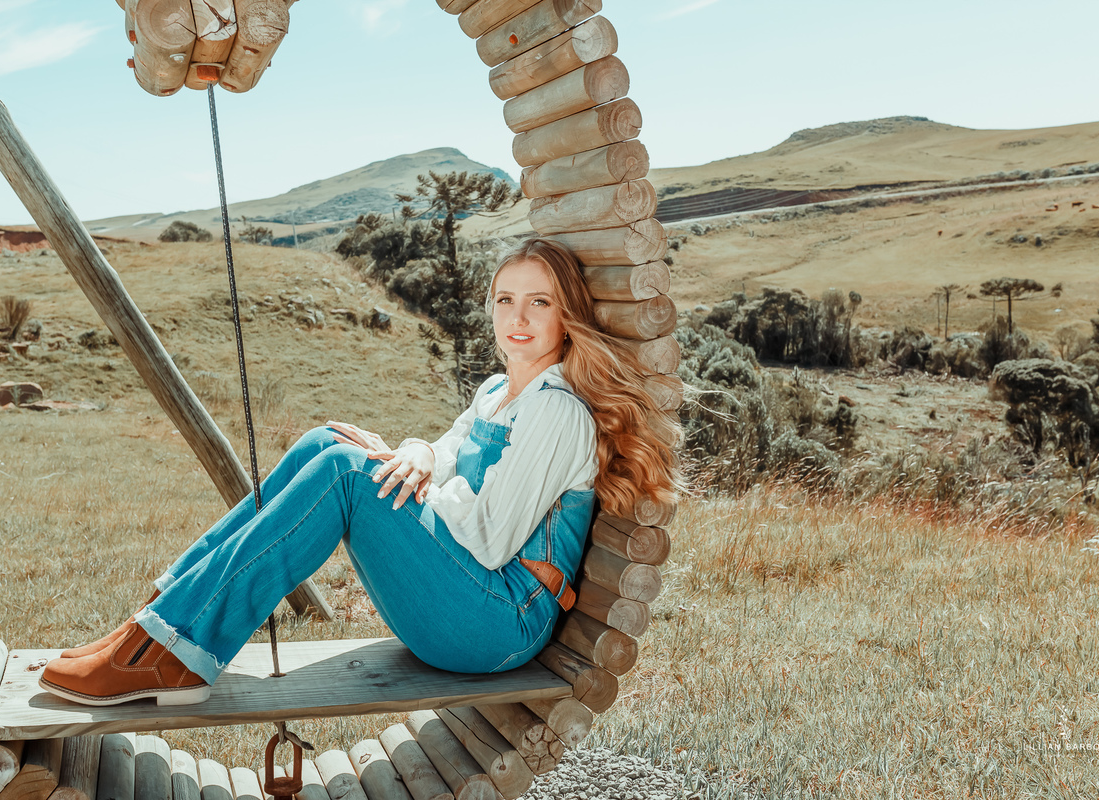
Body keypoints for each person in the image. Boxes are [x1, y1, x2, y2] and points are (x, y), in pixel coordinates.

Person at [39, 238, 679, 707]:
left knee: (348, 471)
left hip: (497, 623)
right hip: (467, 599)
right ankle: (161, 616)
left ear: (565, 316)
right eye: (505, 299)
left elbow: (487, 539)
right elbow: (451, 446)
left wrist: (412, 481)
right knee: (330, 440)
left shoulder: (558, 412)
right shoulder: (498, 392)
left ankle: (174, 649)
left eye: (539, 302)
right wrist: (417, 456)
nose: (518, 317)